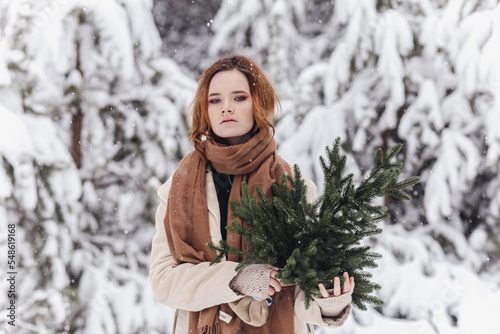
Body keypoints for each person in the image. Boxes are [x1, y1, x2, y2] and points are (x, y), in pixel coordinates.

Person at [149, 55, 354, 334]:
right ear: (204, 109)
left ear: (258, 104)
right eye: (215, 100)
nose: (226, 108)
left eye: (239, 98)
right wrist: (235, 279)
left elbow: (302, 291)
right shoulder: (178, 189)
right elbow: (164, 282)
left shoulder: (293, 188)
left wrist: (329, 304)